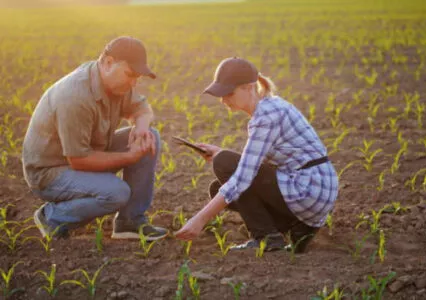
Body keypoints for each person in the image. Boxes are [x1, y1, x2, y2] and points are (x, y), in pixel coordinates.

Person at [175, 57, 339, 252]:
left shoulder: (265, 116)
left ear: (249, 87)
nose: (223, 100)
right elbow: (261, 161)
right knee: (218, 185)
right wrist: (219, 152)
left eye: (228, 93)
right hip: (316, 190)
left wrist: (199, 220)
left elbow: (243, 177)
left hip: (308, 189)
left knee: (225, 164)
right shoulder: (272, 106)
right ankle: (297, 227)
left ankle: (266, 238)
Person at [22, 36, 168, 241]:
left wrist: (141, 128)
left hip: (86, 154)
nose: (134, 82)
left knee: (150, 137)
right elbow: (79, 160)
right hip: (51, 172)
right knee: (116, 193)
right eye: (130, 74)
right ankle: (53, 217)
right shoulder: (75, 97)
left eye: (137, 78)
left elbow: (141, 108)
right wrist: (129, 157)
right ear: (108, 63)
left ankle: (130, 221)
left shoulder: (116, 84)